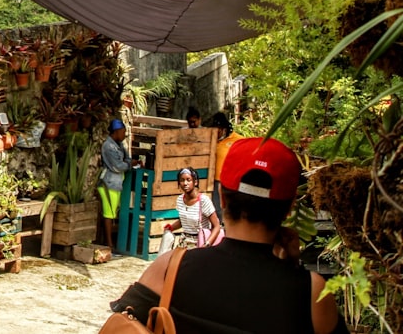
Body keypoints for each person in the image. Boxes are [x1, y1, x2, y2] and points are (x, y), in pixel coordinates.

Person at [111, 138, 346, 333]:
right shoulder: (312, 292)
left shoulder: (171, 267)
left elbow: (122, 323)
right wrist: (291, 268)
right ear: (289, 208)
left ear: (221, 198)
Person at [98, 118, 140, 253]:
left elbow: (126, 159)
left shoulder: (119, 144)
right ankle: (109, 244)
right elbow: (117, 166)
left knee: (112, 213)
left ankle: (108, 241)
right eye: (123, 132)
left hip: (116, 183)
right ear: (115, 132)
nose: (124, 135)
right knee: (108, 214)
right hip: (108, 183)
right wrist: (130, 164)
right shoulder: (108, 146)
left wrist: (128, 163)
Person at [160, 166, 222, 252]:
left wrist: (207, 244)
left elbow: (217, 226)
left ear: (195, 182)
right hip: (184, 243)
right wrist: (171, 227)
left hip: (200, 243)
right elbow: (184, 221)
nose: (185, 183)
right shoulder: (180, 200)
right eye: (182, 180)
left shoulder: (203, 201)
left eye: (188, 180)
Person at [207, 111, 244, 214]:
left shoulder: (238, 140)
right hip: (215, 181)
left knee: (231, 210)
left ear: (224, 128)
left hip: (231, 182)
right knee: (216, 210)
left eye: (218, 131)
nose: (216, 133)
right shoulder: (211, 139)